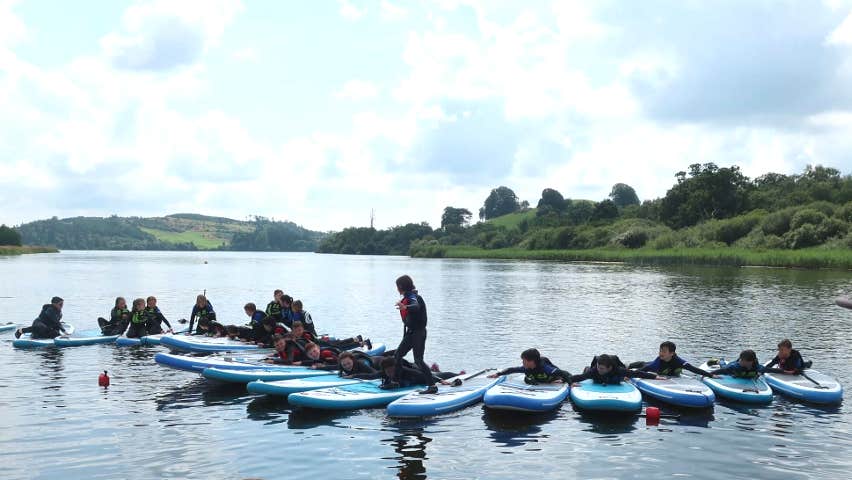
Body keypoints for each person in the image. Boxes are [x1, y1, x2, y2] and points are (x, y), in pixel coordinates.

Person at [390, 275, 436, 394]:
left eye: (397, 286)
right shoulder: (408, 297)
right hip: (411, 333)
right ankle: (396, 382)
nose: (396, 289)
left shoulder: (413, 297)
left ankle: (432, 386)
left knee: (418, 360)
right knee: (398, 355)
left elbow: (415, 307)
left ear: (400, 286)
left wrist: (405, 306)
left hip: (418, 333)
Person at [488, 348, 572, 384]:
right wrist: (497, 374)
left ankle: (586, 371)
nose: (522, 362)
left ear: (531, 361)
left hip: (555, 379)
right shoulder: (526, 368)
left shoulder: (545, 368)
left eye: (524, 360)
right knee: (527, 378)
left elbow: (563, 373)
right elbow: (511, 369)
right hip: (540, 380)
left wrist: (566, 381)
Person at [632, 341, 713, 377]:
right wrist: (631, 375)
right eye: (660, 351)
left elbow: (693, 369)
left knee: (647, 364)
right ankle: (628, 365)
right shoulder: (658, 360)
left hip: (670, 374)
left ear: (672, 353)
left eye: (663, 351)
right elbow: (645, 369)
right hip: (655, 370)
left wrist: (711, 375)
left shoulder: (679, 361)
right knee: (644, 364)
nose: (660, 353)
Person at [570, 354, 659, 385]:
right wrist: (565, 380)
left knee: (622, 376)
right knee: (588, 372)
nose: (599, 370)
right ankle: (587, 368)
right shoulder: (595, 371)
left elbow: (636, 373)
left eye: (602, 368)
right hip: (592, 373)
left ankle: (627, 366)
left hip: (614, 373)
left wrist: (655, 377)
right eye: (598, 367)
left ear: (609, 368)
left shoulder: (618, 370)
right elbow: (580, 377)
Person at [379, 357, 461, 389]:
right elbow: (371, 376)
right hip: (417, 371)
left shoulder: (404, 370)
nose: (391, 374)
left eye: (392, 371)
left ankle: (459, 374)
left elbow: (421, 374)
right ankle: (433, 369)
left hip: (422, 378)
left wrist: (440, 380)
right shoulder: (385, 375)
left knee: (441, 375)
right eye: (388, 372)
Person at [709, 350, 787, 378]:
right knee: (724, 366)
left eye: (742, 360)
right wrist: (709, 374)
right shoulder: (735, 366)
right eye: (740, 359)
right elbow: (721, 371)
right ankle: (719, 361)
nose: (740, 361)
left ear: (750, 362)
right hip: (732, 370)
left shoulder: (757, 367)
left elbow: (771, 370)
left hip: (746, 373)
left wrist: (785, 371)